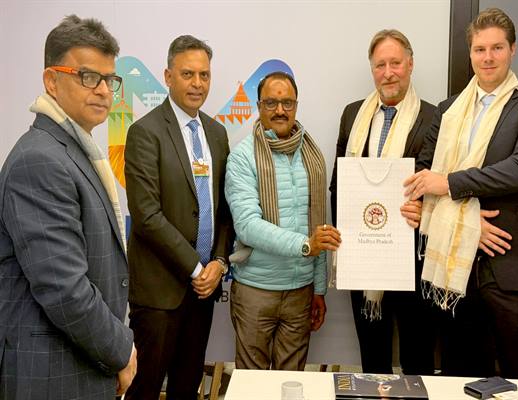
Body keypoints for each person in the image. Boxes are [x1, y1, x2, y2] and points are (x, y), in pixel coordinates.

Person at [404, 8, 518, 399]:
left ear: (513, 49)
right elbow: (424, 170)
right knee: (460, 376)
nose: (487, 57)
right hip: (456, 262)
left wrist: (450, 183)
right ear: (470, 53)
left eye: (496, 48)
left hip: (511, 261)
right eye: (479, 49)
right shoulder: (448, 108)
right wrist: (465, 220)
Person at [0, 15, 136, 399]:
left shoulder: (72, 150)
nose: (104, 90)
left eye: (110, 79)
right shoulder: (40, 160)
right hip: (53, 373)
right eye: (88, 76)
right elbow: (65, 291)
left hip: (78, 363)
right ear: (51, 81)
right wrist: (121, 351)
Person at [124, 35, 233, 399]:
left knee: (187, 388)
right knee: (145, 388)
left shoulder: (216, 134)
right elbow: (146, 215)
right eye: (188, 74)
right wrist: (196, 268)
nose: (197, 83)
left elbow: (223, 209)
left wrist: (218, 262)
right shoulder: (145, 132)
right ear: (168, 77)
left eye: (204, 75)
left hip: (203, 292)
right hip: (159, 293)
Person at [329, 29, 436, 375]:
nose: (388, 73)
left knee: (417, 358)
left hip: (413, 260)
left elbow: (441, 186)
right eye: (380, 65)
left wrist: (424, 209)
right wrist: (345, 238)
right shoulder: (352, 115)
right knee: (372, 358)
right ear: (372, 69)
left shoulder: (434, 117)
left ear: (410, 64)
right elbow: (339, 183)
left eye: (395, 63)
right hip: (363, 255)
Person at [225, 71, 341, 370]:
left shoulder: (312, 156)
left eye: (287, 103)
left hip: (301, 293)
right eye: (271, 103)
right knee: (252, 383)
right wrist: (305, 245)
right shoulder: (243, 157)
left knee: (292, 382)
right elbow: (247, 226)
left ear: (296, 106)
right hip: (256, 291)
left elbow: (318, 227)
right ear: (259, 106)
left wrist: (318, 289)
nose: (280, 110)